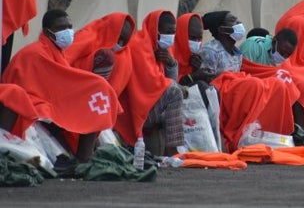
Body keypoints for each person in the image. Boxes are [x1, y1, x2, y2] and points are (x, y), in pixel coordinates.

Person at [2, 9, 120, 162]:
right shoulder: (35, 53)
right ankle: (84, 158)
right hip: (29, 102)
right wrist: (93, 85)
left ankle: (85, 157)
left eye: (70, 27)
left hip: (49, 102)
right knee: (95, 92)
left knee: (92, 102)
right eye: (61, 28)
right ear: (47, 31)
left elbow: (61, 81)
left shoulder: (58, 52)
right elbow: (45, 84)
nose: (68, 32)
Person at [201, 11, 299, 151]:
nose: (239, 24)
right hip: (221, 92)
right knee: (255, 85)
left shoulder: (236, 53)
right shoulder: (211, 50)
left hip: (235, 90)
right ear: (222, 29)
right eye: (234, 22)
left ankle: (273, 133)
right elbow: (208, 81)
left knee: (278, 85)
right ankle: (241, 133)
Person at [114, 10, 186, 156]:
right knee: (176, 92)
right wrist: (179, 87)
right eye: (167, 32)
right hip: (132, 110)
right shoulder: (139, 46)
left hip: (148, 105)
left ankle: (179, 147)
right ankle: (171, 149)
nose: (170, 37)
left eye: (173, 32)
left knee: (179, 94)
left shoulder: (158, 48)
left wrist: (171, 63)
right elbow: (153, 86)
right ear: (155, 29)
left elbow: (167, 83)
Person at [65, 12, 136, 96]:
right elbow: (63, 59)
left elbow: (113, 92)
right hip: (71, 78)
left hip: (95, 97)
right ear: (112, 31)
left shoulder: (125, 57)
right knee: (106, 56)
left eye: (125, 41)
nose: (120, 43)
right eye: (119, 38)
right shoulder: (88, 35)